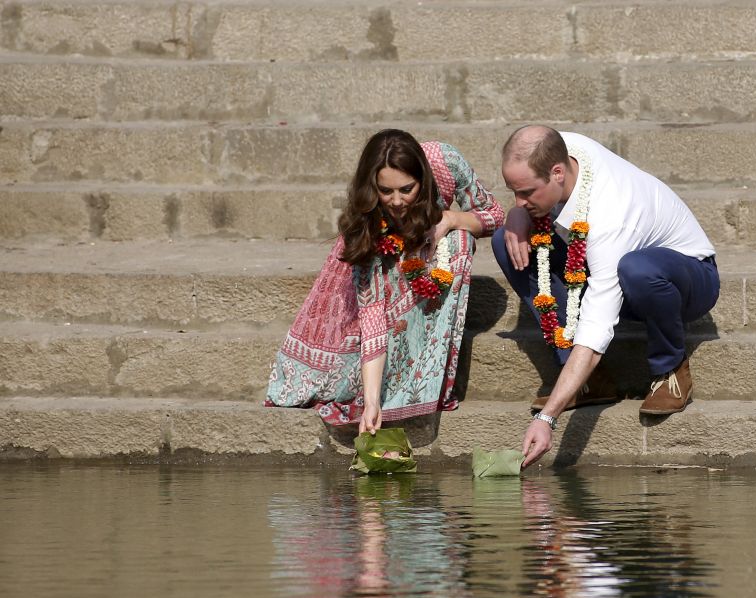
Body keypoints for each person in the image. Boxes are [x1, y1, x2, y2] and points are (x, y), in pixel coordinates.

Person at [492, 125, 719, 468]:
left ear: (557, 173)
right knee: (505, 241)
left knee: (637, 269)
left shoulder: (611, 215)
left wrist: (547, 419)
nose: (520, 201)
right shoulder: (561, 147)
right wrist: (518, 214)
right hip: (607, 266)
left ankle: (670, 369)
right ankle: (589, 382)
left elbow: (596, 330)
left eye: (526, 193)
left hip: (688, 277)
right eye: (513, 191)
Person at [266, 129, 505, 434]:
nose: (396, 202)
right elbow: (372, 315)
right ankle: (392, 389)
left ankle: (425, 379)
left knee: (459, 242)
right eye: (385, 191)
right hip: (382, 262)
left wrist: (452, 220)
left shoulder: (446, 161)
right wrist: (372, 401)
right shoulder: (369, 224)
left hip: (431, 250)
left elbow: (495, 215)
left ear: (424, 178)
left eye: (407, 189)